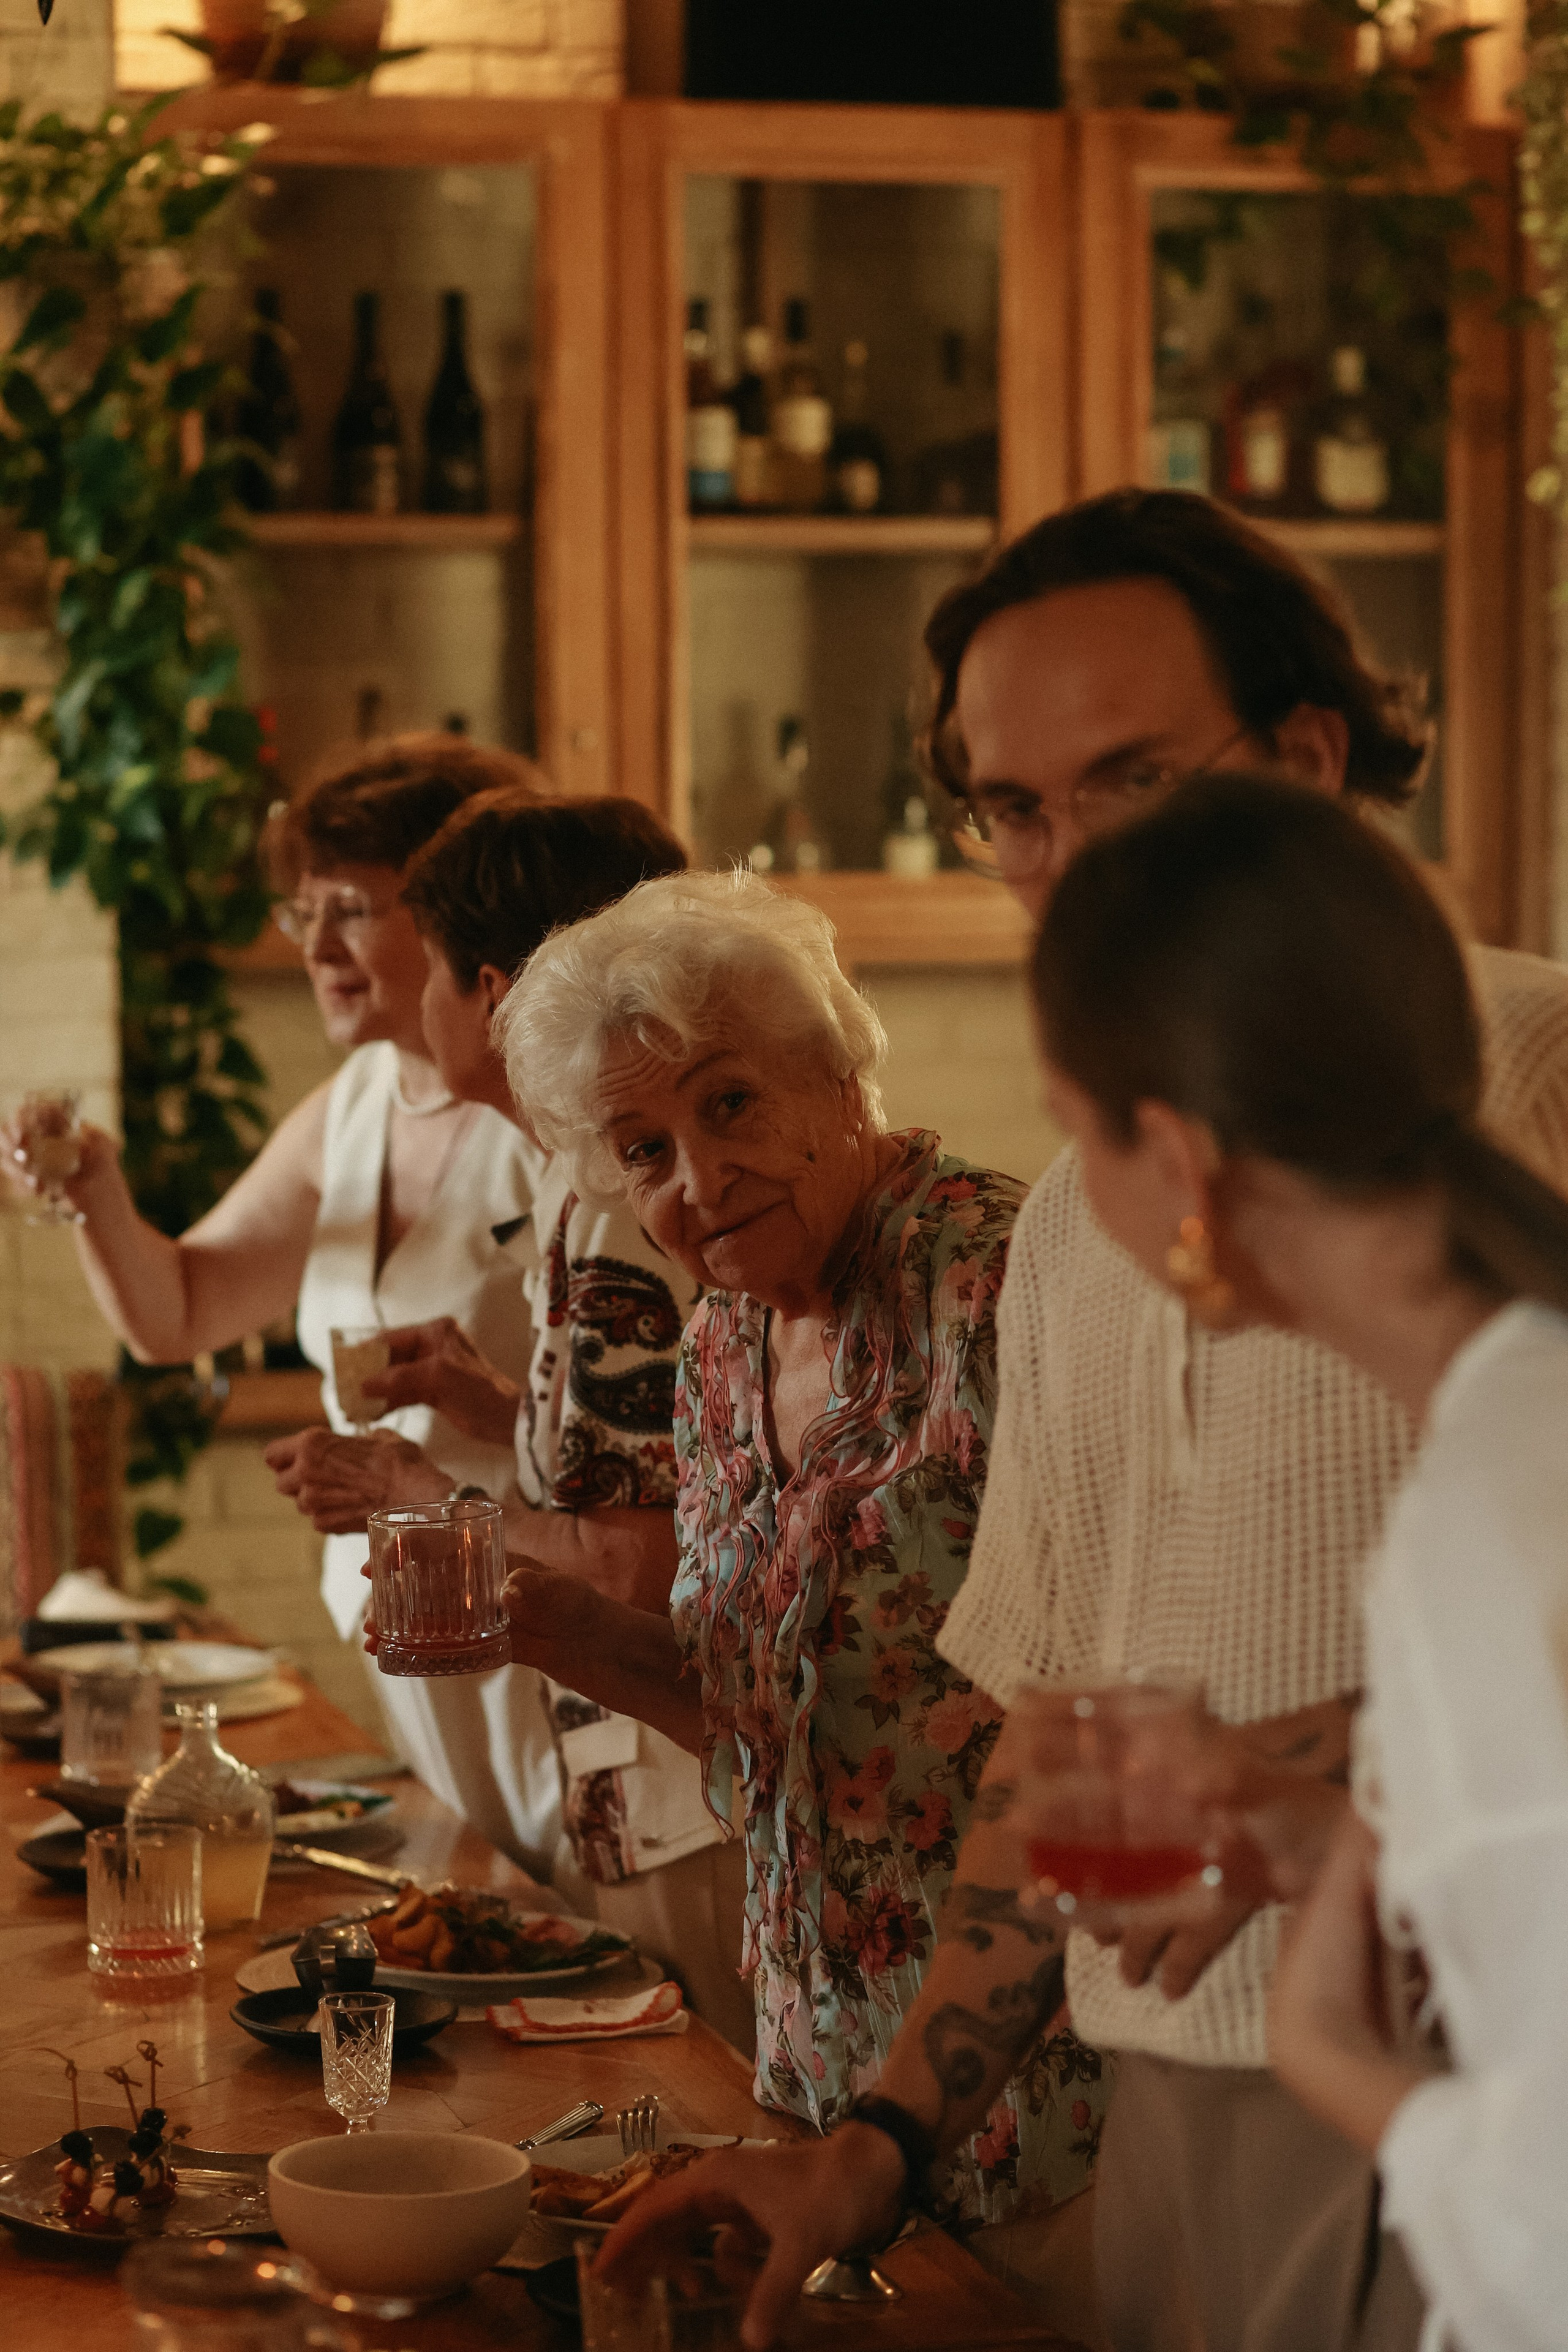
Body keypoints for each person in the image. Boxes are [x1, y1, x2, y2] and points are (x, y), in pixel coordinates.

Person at [592, 490, 1568, 2352]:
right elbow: (1059, 1727)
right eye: (1009, 807)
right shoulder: (1075, 1219)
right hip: (1163, 2115)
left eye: (1121, 783)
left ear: (1309, 756)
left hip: (1483, 2093)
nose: (1056, 868)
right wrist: (878, 2137)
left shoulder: (1528, 1067)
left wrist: (1339, 1786)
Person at [1025, 775, 1568, 2352]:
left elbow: (1548, 2227)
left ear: (1180, 1165)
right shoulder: (1510, 1419)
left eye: (1076, 1139)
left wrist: (1334, 2061)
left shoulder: (1487, 1514)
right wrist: (1331, 1839)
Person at [491, 867, 1106, 2230]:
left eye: (727, 1103)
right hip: (813, 2077)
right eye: (642, 1149)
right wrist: (558, 1628)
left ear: (839, 1078)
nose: (697, 1179)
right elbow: (755, 1715)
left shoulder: (1002, 1288)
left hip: (1043, 2107)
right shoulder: (722, 1341)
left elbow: (1112, 1721)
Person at [4, 733, 564, 1879]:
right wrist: (97, 1186)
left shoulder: (546, 1107)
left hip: (540, 1621)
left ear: (459, 912)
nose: (317, 947)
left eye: (351, 909)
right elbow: (180, 1312)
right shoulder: (357, 1104)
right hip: (410, 1644)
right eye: (300, 912)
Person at [271, 790, 754, 2047]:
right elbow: (656, 1463)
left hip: (678, 1793)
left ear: (488, 994)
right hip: (640, 1779)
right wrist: (489, 1401)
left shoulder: (604, 1200)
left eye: (425, 970)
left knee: (710, 2134)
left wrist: (404, 1493)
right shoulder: (580, 1185)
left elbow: (627, 1569)